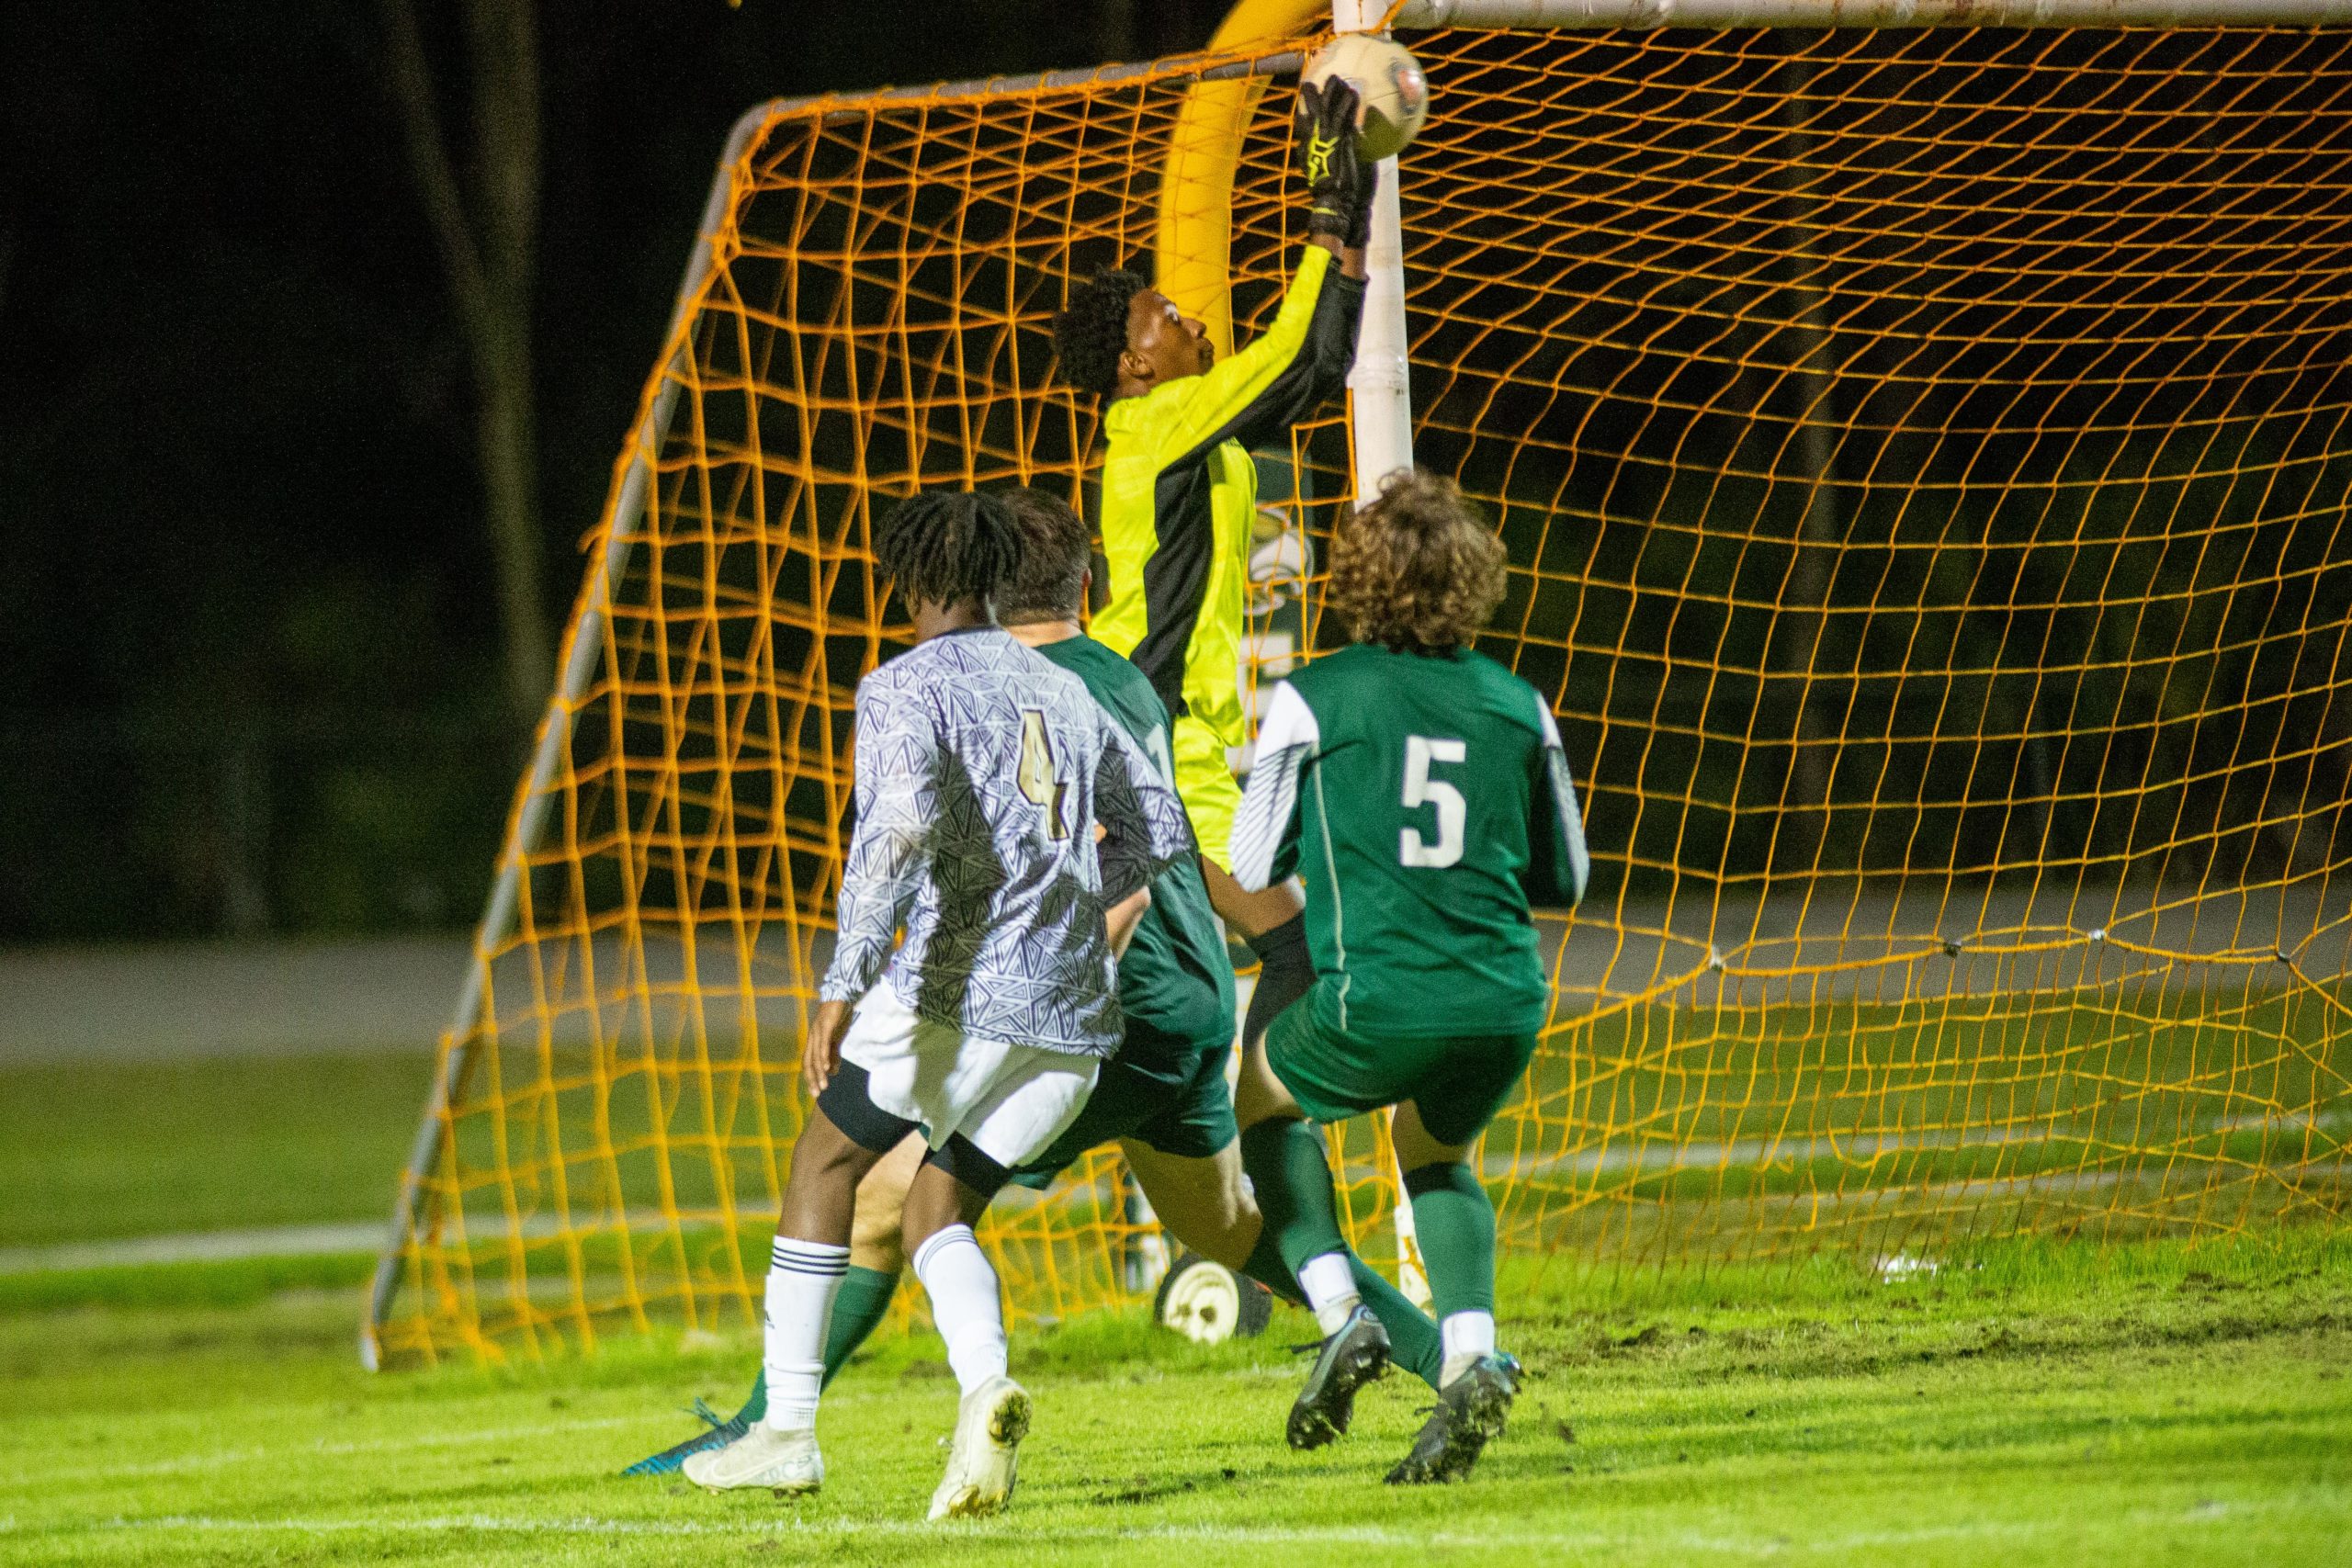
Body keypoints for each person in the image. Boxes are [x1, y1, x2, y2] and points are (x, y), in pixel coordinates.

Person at [627, 489, 1447, 1480]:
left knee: (884, 1198)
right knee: (1224, 1226)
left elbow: (1044, 868)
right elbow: (1165, 834)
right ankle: (1462, 1359)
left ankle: (771, 1428)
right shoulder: (1124, 682)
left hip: (1101, 1002)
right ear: (1087, 588)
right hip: (1190, 999)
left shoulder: (994, 691)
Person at [681, 490, 1193, 1519]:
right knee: (934, 1206)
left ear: (908, 581)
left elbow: (896, 835)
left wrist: (842, 981)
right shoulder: (1062, 686)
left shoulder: (903, 687)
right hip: (1074, 1019)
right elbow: (1159, 829)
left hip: (953, 993)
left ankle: (785, 1431)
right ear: (1004, 578)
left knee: (823, 1160)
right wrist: (1065, 906)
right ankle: (984, 1389)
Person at [1227, 470, 1589, 1484]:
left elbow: (1254, 867)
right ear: (1474, 581)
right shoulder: (1519, 704)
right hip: (1505, 999)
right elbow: (1566, 874)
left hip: (1376, 997)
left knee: (1261, 1104)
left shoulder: (1317, 694)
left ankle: (1342, 1312)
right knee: (1434, 1152)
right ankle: (1469, 1354)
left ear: (1356, 581)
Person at [1048, 77, 1373, 1068]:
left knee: (1151, 993)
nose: (1190, 318)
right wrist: (1326, 202)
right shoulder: (1154, 427)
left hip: (1154, 741)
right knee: (1303, 946)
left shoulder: (1187, 432)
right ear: (1133, 365)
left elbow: (1317, 365)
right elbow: (1289, 353)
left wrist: (1347, 212)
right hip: (1154, 747)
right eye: (1165, 315)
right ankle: (1266, 1171)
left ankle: (1217, 1186)